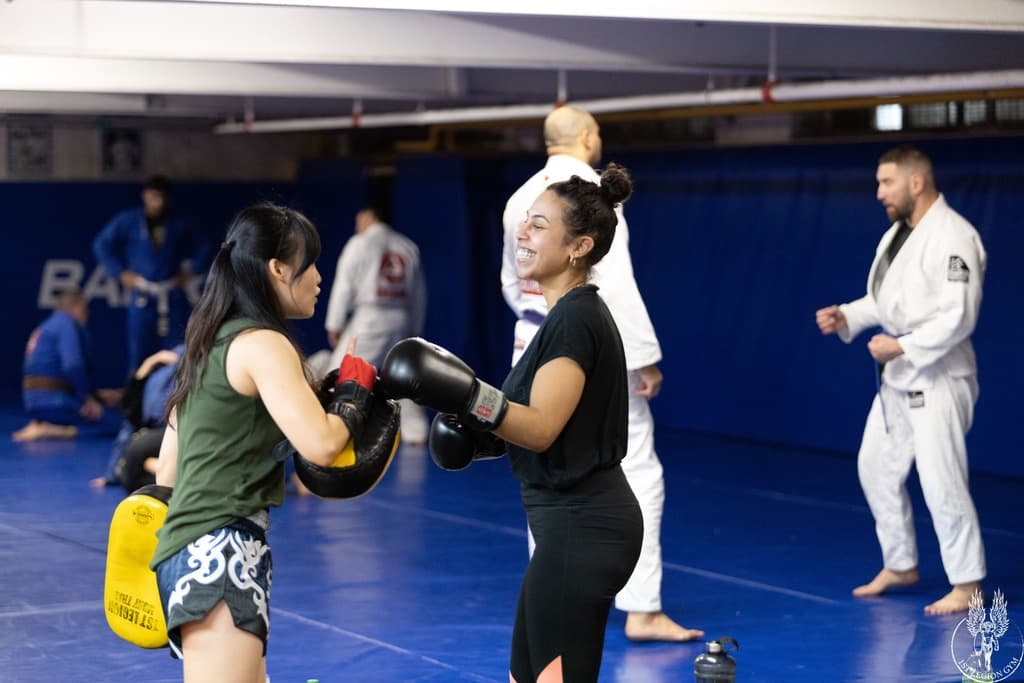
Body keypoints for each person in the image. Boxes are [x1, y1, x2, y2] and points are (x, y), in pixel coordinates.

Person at [380, 164, 643, 682]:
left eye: (540, 224)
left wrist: (468, 393)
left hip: (583, 524)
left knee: (553, 677)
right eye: (526, 221)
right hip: (566, 525)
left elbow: (541, 428)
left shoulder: (575, 319)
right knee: (527, 674)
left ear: (579, 247)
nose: (523, 232)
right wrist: (480, 435)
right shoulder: (564, 318)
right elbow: (545, 428)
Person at [146, 202, 387, 679]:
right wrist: (355, 395)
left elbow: (167, 469)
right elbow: (321, 446)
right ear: (278, 269)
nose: (319, 276)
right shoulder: (263, 343)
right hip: (221, 552)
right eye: (310, 263)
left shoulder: (208, 341)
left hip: (197, 548)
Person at [501, 105, 702, 642]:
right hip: (589, 344)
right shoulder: (589, 197)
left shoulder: (521, 199)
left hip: (531, 339)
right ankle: (642, 607)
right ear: (589, 138)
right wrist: (642, 357)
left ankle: (551, 593)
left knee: (541, 472)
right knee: (637, 468)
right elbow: (614, 282)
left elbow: (511, 279)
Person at [816, 145, 987, 615]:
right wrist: (846, 316)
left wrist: (903, 345)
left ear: (916, 182)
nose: (879, 193)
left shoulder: (954, 237)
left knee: (941, 481)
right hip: (899, 379)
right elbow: (887, 302)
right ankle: (901, 563)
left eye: (886, 183)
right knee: (875, 467)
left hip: (940, 379)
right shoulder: (899, 235)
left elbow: (959, 317)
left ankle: (967, 582)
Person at [323, 206, 429, 444]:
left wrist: (335, 324)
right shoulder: (408, 246)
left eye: (359, 218)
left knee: (340, 372)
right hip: (401, 318)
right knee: (404, 376)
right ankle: (416, 431)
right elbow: (419, 294)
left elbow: (344, 286)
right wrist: (415, 328)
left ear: (369, 216)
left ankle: (332, 428)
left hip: (370, 318)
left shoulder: (359, 244)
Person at [92, 175, 207, 376]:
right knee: (139, 354)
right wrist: (120, 273)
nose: (159, 203)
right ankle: (136, 404)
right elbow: (102, 245)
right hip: (142, 294)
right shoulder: (128, 221)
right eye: (154, 197)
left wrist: (190, 271)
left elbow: (203, 247)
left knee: (176, 352)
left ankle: (176, 400)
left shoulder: (178, 223)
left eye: (162, 198)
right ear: (145, 196)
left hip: (170, 295)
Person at [14, 289, 122, 442]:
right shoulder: (66, 324)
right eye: (85, 309)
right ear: (75, 307)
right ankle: (54, 430)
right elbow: (73, 365)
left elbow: (49, 372)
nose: (88, 314)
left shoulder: (48, 325)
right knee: (118, 425)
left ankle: (43, 423)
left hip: (35, 402)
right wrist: (87, 399)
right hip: (55, 402)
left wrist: (97, 395)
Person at [89, 346, 183, 491]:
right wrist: (111, 475)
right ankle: (153, 465)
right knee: (134, 461)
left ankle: (155, 465)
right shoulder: (164, 367)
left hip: (173, 430)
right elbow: (129, 423)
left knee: (138, 454)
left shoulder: (180, 362)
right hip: (156, 430)